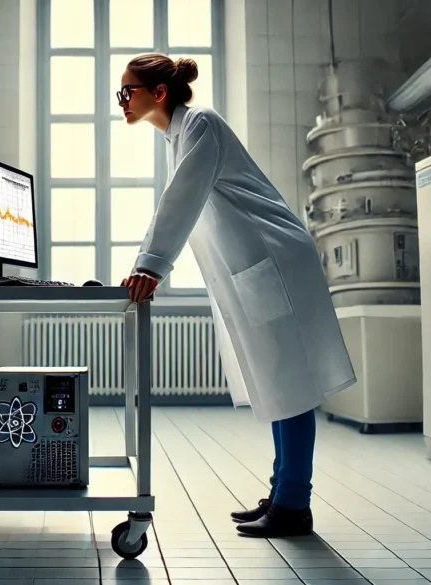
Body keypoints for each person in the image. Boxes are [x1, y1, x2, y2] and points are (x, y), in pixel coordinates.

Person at [117, 53, 356, 538]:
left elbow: (180, 198)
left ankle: (294, 504)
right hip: (257, 269)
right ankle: (283, 491)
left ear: (158, 93)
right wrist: (150, 262)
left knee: (290, 386)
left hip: (274, 264)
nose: (121, 101)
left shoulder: (200, 124)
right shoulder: (176, 135)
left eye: (127, 92)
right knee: (277, 381)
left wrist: (150, 265)